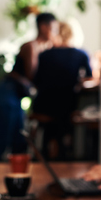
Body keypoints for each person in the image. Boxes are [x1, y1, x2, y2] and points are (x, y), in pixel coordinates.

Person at [0, 12, 59, 161]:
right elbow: (32, 74)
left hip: (16, 97)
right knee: (2, 141)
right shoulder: (31, 46)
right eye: (54, 27)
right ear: (43, 27)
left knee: (19, 143)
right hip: (7, 93)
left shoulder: (47, 47)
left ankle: (17, 180)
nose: (56, 32)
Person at [31, 21, 92, 159]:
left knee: (50, 126)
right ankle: (63, 154)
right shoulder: (81, 54)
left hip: (43, 106)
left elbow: (36, 81)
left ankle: (47, 154)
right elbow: (89, 78)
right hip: (66, 106)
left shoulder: (44, 54)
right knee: (64, 121)